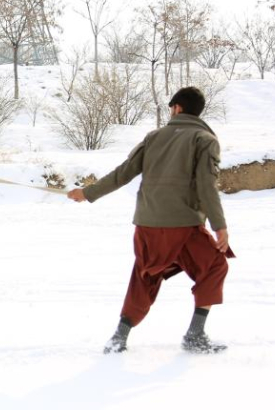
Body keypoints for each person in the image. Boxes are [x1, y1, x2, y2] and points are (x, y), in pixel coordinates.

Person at [67, 87, 233, 354]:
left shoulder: (153, 137)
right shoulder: (205, 139)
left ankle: (119, 337)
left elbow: (122, 173)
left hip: (146, 224)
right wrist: (220, 227)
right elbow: (207, 186)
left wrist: (87, 193)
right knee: (214, 266)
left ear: (176, 107)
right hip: (183, 224)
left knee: (145, 275)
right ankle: (195, 334)